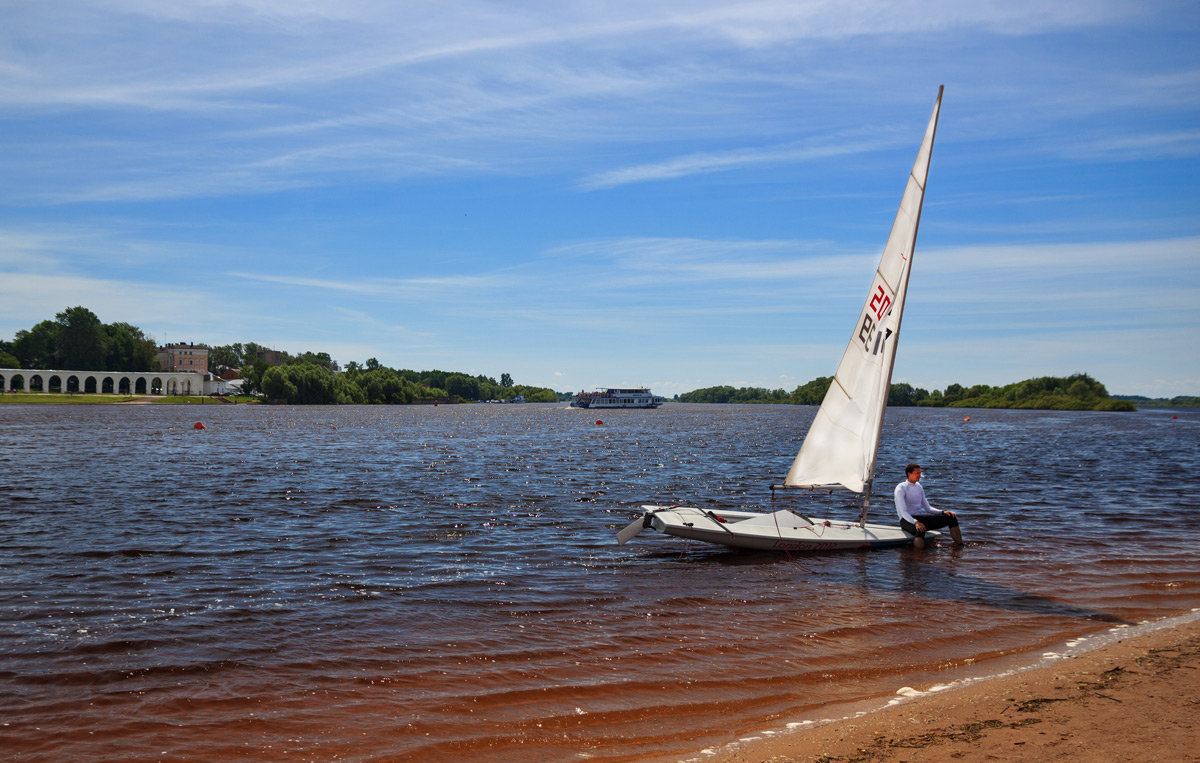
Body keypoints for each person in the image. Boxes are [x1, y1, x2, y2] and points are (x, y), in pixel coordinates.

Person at [895, 463, 962, 549]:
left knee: (951, 518)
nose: (920, 476)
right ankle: (918, 556)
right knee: (920, 529)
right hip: (906, 520)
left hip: (919, 519)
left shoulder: (919, 487)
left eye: (920, 473)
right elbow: (903, 512)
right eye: (917, 473)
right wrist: (916, 522)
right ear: (909, 474)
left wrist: (942, 512)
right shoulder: (901, 488)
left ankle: (959, 546)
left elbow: (928, 508)